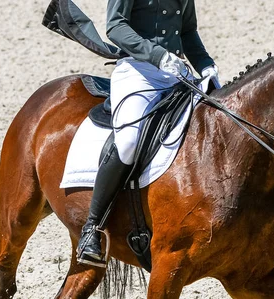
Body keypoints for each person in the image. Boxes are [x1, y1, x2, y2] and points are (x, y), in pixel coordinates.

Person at [75, 0, 220, 268]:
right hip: (138, 71)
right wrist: (158, 56)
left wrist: (206, 65)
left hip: (176, 74)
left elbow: (187, 31)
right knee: (129, 141)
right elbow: (116, 26)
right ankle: (92, 228)